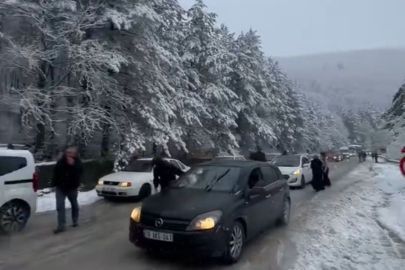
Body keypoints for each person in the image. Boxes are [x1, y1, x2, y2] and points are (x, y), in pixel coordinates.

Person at [51, 146, 83, 234]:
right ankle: (61, 225)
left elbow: (80, 172)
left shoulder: (77, 162)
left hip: (72, 187)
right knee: (60, 206)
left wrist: (73, 166)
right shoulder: (61, 162)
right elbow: (55, 173)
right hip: (61, 187)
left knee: (74, 204)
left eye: (72, 153)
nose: (69, 154)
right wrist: (53, 184)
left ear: (75, 154)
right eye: (68, 153)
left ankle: (75, 220)